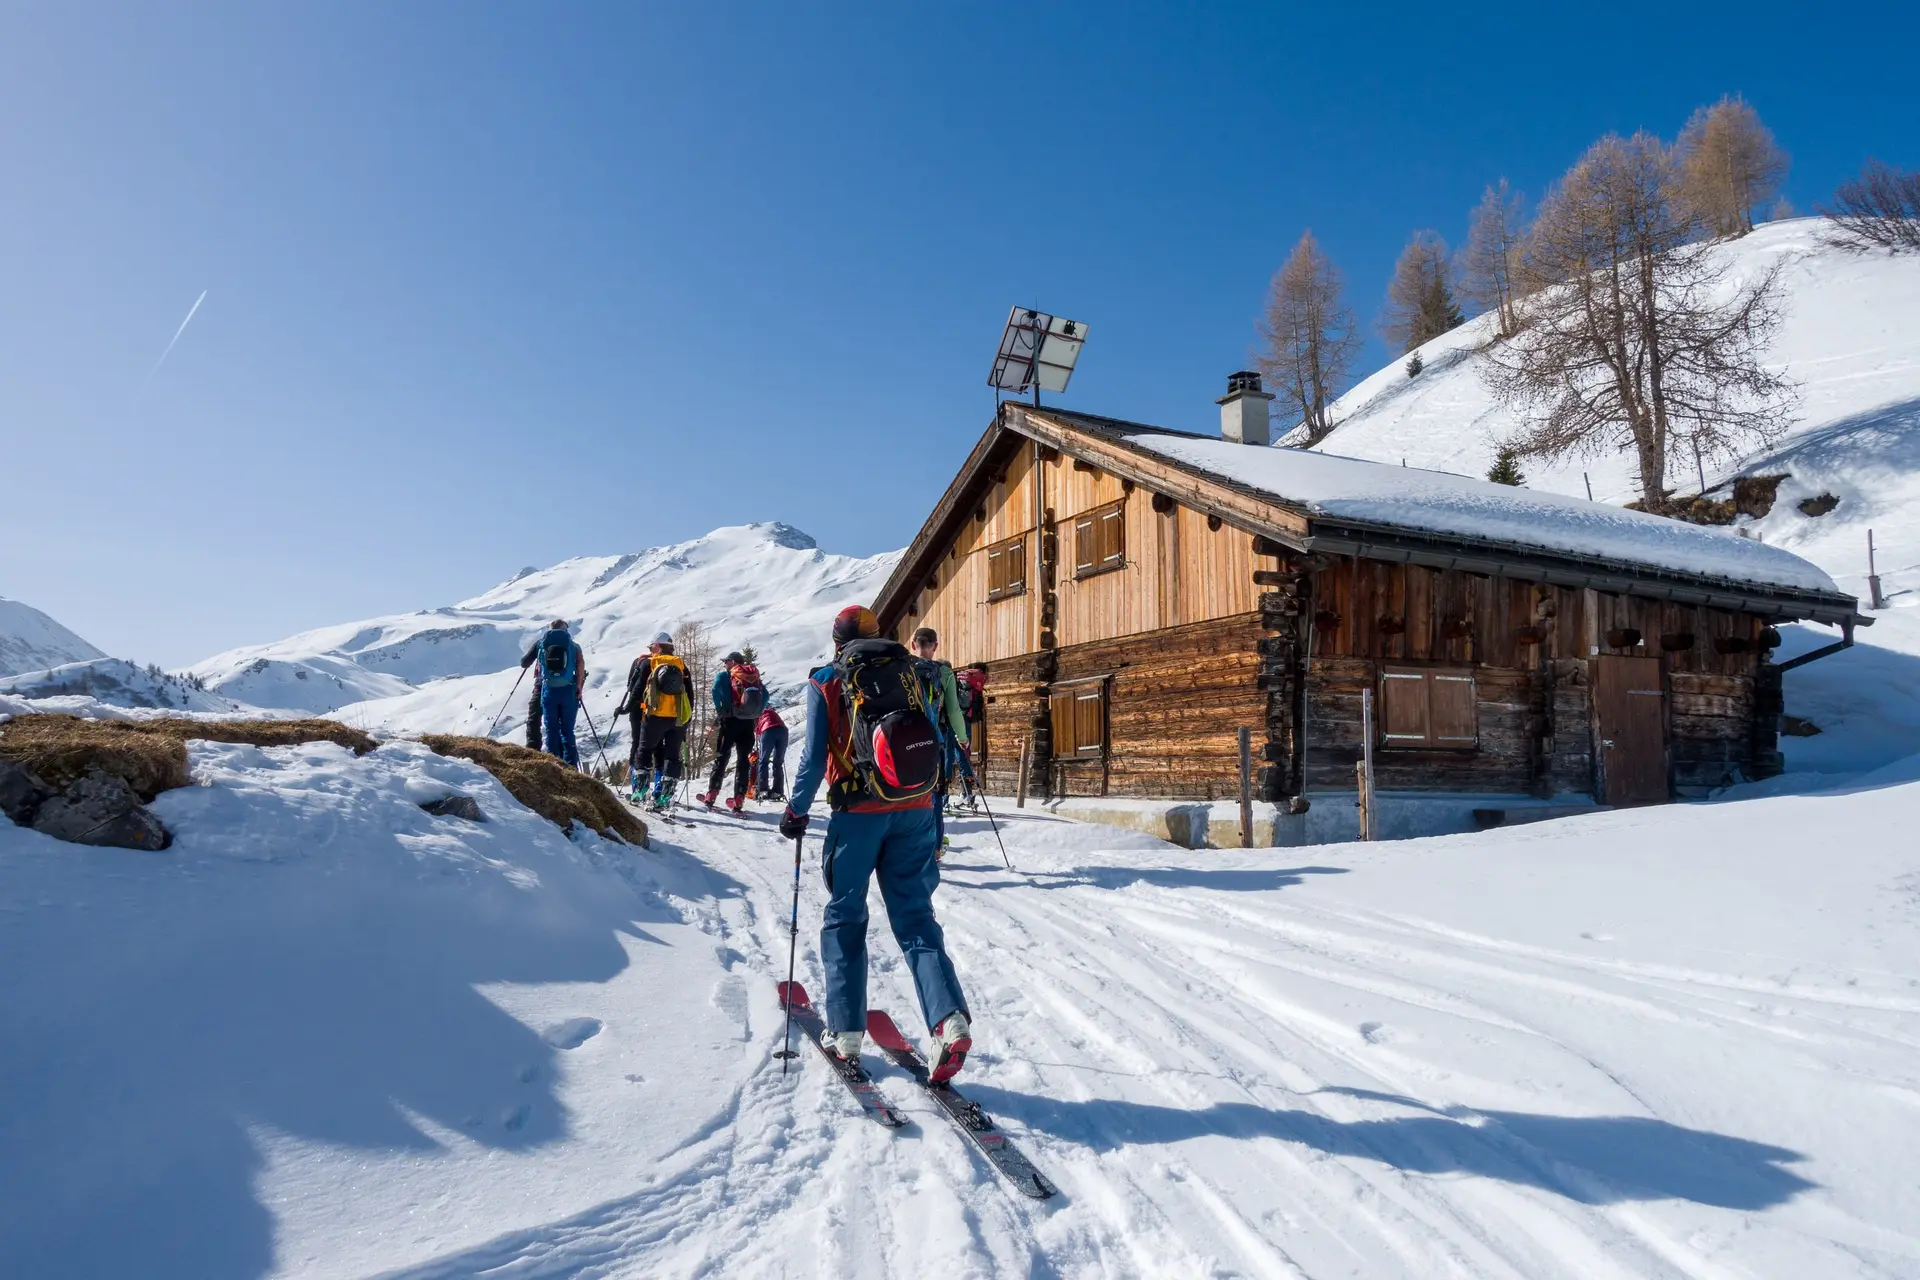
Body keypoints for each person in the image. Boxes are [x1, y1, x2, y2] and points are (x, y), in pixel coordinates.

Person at [780, 605, 972, 1080]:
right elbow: (932, 734)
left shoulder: (828, 679)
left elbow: (813, 757)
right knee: (916, 917)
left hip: (859, 815)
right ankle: (948, 1020)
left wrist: (796, 810)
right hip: (916, 807)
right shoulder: (911, 670)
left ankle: (846, 1031)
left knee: (846, 915)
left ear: (837, 640)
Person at [615, 632, 691, 812]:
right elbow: (690, 696)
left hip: (654, 717)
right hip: (677, 719)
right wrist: (686, 722)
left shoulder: (648, 663)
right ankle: (665, 796)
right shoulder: (681, 666)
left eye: (651, 647)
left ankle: (640, 791)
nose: (650, 650)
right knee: (672, 757)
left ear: (657, 646)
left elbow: (637, 691)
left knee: (644, 750)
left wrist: (625, 709)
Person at [910, 627, 968, 855]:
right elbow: (953, 710)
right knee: (934, 793)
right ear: (935, 645)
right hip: (933, 741)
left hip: (903, 740)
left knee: (907, 792)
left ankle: (909, 845)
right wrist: (962, 738)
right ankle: (934, 848)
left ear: (913, 645)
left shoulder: (903, 667)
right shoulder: (943, 672)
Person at [699, 651, 763, 812]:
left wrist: (720, 710)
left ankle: (712, 794)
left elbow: (715, 690)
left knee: (722, 757)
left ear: (733, 662)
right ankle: (739, 798)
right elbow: (766, 695)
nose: (724, 664)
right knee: (743, 761)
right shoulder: (753, 678)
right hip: (748, 723)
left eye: (726, 661)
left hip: (729, 721)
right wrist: (756, 712)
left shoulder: (724, 676)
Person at [521, 619, 586, 767]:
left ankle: (553, 764)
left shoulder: (541, 644)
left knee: (551, 729)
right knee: (567, 730)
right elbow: (580, 666)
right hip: (568, 690)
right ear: (566, 630)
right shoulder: (574, 646)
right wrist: (579, 687)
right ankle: (571, 766)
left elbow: (524, 662)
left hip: (548, 690)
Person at [756, 703, 789, 801]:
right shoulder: (772, 712)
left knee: (763, 761)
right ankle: (778, 791)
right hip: (783, 731)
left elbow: (756, 730)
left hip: (768, 730)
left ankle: (763, 790)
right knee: (778, 763)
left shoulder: (757, 714)